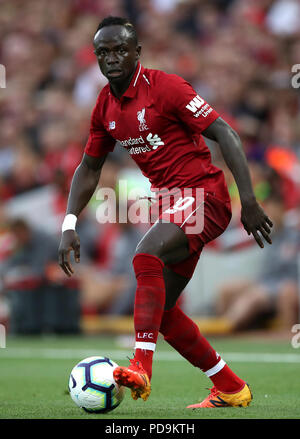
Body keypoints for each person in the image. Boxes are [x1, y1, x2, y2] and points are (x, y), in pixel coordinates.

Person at [58, 16, 273, 409]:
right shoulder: (104, 106)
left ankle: (141, 365)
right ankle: (230, 387)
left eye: (120, 49)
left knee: (145, 255)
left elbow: (226, 133)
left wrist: (250, 201)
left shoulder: (167, 87)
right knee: (165, 312)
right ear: (95, 58)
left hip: (205, 195)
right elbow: (89, 168)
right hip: (173, 204)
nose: (112, 57)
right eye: (103, 52)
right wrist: (70, 222)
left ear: (137, 52)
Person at [216, 193, 299, 331]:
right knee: (227, 289)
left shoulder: (294, 236)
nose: (271, 214)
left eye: (274, 210)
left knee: (254, 297)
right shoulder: (269, 233)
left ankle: (224, 328)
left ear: (283, 210)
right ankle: (229, 337)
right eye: (268, 210)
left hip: (284, 286)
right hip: (264, 282)